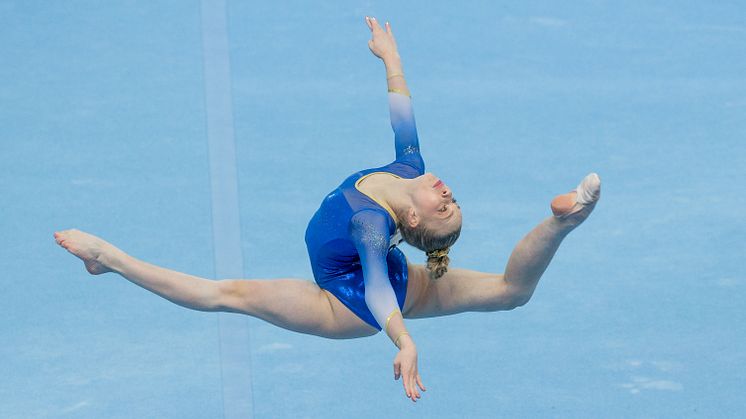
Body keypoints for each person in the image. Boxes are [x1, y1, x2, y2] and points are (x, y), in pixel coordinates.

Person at [53, 16, 600, 403]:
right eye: (452, 199)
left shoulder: (371, 222)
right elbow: (402, 115)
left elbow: (377, 288)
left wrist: (404, 340)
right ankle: (563, 220)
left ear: (413, 222)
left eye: (444, 207)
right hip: (387, 278)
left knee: (226, 295)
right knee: (512, 293)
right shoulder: (411, 168)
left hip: (347, 300)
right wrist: (392, 59)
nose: (446, 192)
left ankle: (109, 257)